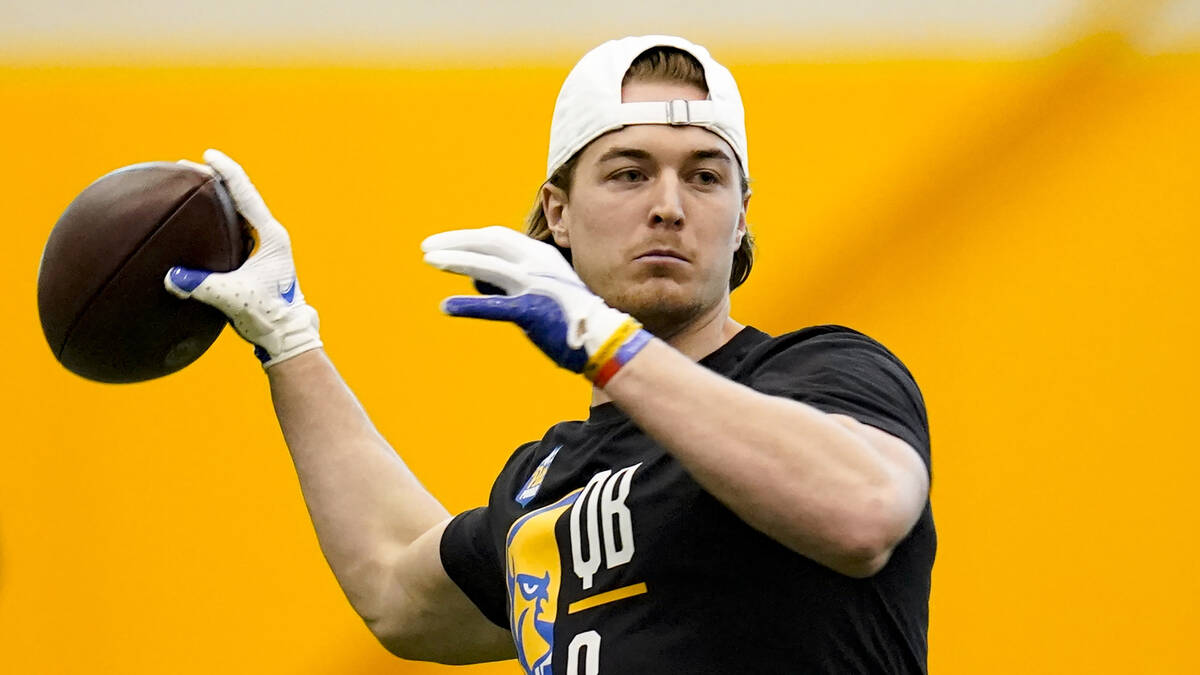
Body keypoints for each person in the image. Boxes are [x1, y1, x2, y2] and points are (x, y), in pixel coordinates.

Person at [165, 35, 935, 674]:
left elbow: (862, 511)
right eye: (630, 172)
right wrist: (288, 338)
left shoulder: (821, 375)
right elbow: (398, 589)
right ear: (557, 213)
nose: (669, 203)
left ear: (739, 219)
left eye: (705, 176)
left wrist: (608, 345)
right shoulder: (549, 481)